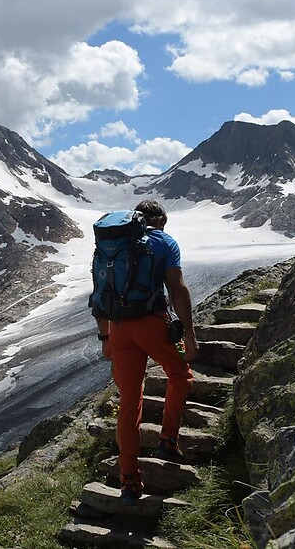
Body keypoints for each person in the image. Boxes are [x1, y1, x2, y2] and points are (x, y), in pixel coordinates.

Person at [95, 200, 198, 506]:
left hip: (118, 327)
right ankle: (168, 440)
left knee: (129, 401)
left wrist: (105, 338)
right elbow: (177, 288)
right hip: (152, 323)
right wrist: (190, 333)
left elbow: (101, 294)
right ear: (161, 221)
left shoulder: (109, 245)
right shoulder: (164, 241)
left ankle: (129, 481)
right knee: (180, 375)